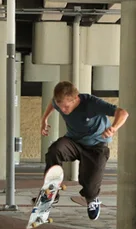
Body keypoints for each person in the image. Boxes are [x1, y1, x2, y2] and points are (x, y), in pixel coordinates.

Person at [40, 81, 129, 220]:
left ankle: (92, 200)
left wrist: (113, 128)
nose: (63, 110)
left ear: (75, 99)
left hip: (96, 145)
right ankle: (51, 193)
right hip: (73, 142)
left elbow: (122, 113)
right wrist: (44, 119)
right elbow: (53, 104)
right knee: (54, 150)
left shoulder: (91, 103)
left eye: (66, 106)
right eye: (61, 106)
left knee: (91, 185)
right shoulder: (59, 103)